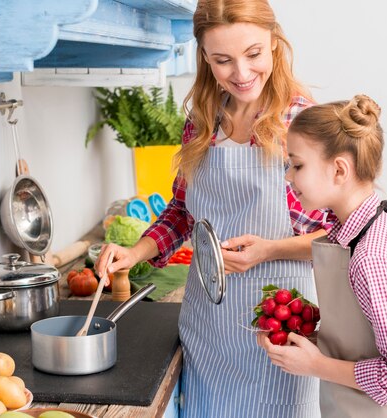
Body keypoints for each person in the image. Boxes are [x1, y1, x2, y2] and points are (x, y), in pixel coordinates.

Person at [95, 1, 335, 416]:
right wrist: (134, 253)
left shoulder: (301, 121)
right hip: (210, 329)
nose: (241, 74)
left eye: (253, 54)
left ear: (275, 44)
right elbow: (182, 212)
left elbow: (341, 235)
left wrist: (269, 250)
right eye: (223, 60)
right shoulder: (204, 120)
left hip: (280, 326)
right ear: (204, 57)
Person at [258, 95, 387, 417]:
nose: (288, 176)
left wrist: (316, 365)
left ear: (339, 169)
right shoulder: (351, 234)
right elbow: (365, 335)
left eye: (297, 165)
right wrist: (307, 335)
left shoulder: (372, 257)